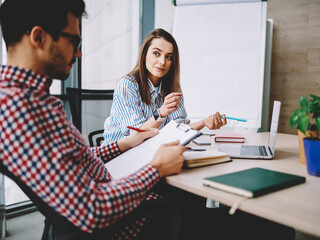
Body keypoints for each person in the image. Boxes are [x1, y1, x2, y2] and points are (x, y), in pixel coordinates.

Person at [0, 0, 187, 239]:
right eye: (74, 42)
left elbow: (76, 160)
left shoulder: (35, 100)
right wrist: (155, 168)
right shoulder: (19, 109)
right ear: (39, 38)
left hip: (114, 189)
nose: (78, 53)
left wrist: (124, 144)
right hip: (120, 224)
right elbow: (91, 209)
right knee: (204, 211)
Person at [103, 28, 227, 143]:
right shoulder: (127, 86)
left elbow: (179, 129)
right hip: (119, 156)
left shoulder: (172, 87)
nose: (162, 62)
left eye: (168, 57)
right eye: (156, 53)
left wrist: (204, 122)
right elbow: (137, 135)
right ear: (145, 54)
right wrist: (161, 113)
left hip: (150, 150)